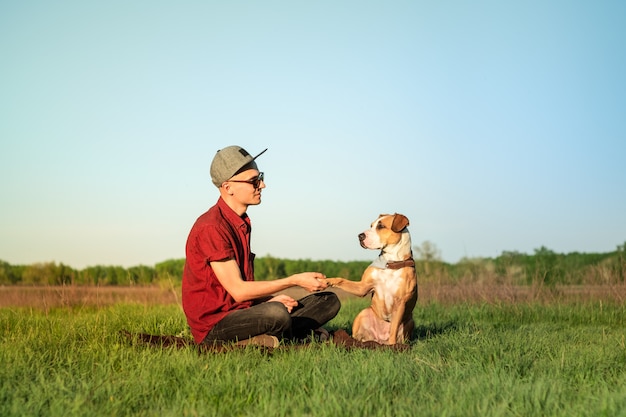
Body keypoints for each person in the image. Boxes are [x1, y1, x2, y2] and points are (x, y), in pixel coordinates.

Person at [182, 145, 341, 347]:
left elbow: (240, 293)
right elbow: (238, 291)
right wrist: (293, 281)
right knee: (276, 313)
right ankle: (271, 338)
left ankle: (271, 338)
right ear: (228, 187)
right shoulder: (211, 227)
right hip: (216, 325)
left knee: (328, 301)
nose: (262, 185)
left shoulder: (241, 222)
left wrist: (268, 299)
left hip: (244, 313)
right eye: (254, 181)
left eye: (261, 177)